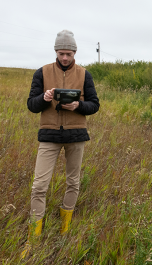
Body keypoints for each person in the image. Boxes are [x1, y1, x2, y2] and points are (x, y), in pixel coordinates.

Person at [22, 30, 100, 258]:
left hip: (76, 136)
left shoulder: (85, 74)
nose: (64, 57)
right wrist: (44, 98)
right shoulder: (42, 72)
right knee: (39, 186)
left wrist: (78, 106)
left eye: (68, 53)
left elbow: (94, 105)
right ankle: (33, 238)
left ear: (75, 52)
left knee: (73, 182)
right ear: (55, 51)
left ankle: (65, 229)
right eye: (60, 53)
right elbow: (31, 105)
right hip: (49, 136)